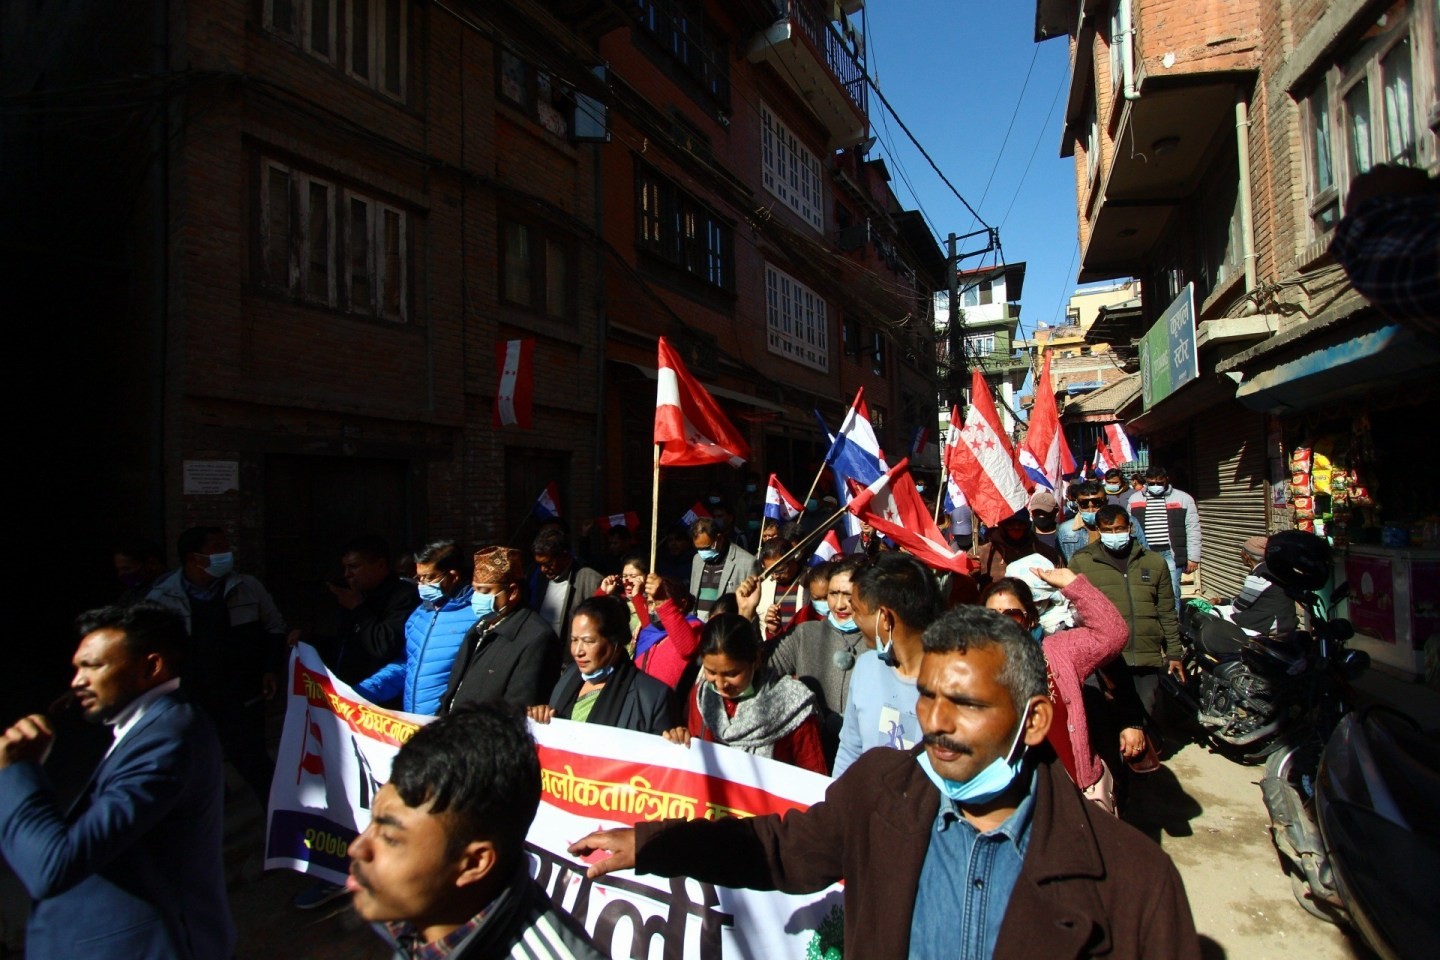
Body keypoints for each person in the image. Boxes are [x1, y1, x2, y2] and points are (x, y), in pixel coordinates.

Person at [567, 606, 1200, 959]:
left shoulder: (1136, 882)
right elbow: (783, 850)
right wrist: (651, 845)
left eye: (967, 705)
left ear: (1033, 720)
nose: (937, 724)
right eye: (925, 698)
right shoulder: (880, 791)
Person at [0, 602, 235, 958]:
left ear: (151, 666)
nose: (77, 681)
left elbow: (53, 865)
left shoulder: (168, 740)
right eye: (77, 667)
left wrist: (17, 771)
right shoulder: (151, 727)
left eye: (92, 666)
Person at [346, 703, 602, 959]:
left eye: (390, 838)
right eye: (373, 820)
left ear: (474, 863)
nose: (357, 848)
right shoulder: (404, 920)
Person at [147, 525, 289, 806]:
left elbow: (275, 627)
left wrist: (270, 668)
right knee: (196, 758)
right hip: (190, 694)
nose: (227, 554)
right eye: (218, 548)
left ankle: (279, 816)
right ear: (194, 558)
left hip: (241, 691)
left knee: (252, 759)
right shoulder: (163, 598)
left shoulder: (247, 587)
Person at [983, 569, 1129, 814]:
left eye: (1012, 615)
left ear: (1029, 619)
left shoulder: (1058, 651)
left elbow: (1113, 635)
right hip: (1011, 803)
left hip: (1073, 795)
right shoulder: (969, 667)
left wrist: (1073, 585)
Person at [1069, 506, 1181, 760]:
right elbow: (1074, 612)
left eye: (1119, 529)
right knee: (1107, 722)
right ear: (1098, 531)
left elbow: (1166, 610)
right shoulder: (1082, 561)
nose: (1114, 534)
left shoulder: (1154, 562)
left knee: (1142, 719)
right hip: (1105, 659)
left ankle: (1141, 769)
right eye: (1108, 530)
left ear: (1130, 528)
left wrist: (1174, 651)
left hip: (1145, 655)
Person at [663, 614, 826, 774]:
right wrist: (680, 739)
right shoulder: (702, 697)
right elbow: (694, 755)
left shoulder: (793, 705)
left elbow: (812, 778)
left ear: (755, 661)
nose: (720, 685)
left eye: (731, 674)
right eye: (711, 672)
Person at [834, 552, 944, 776]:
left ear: (885, 617)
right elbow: (849, 751)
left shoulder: (955, 682)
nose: (852, 618)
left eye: (857, 610)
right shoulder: (865, 667)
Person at [356, 541, 477, 716]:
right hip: (414, 723)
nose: (422, 584)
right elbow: (407, 664)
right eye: (419, 578)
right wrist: (365, 691)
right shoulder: (419, 615)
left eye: (429, 578)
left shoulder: (477, 616)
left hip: (453, 727)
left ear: (453, 576)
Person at [768, 556, 868, 763]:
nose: (839, 605)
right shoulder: (805, 633)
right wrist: (745, 611)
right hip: (810, 758)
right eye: (833, 594)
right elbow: (759, 669)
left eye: (847, 595)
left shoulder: (880, 641)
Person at [529, 596, 673, 735]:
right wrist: (542, 716)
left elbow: (662, 753)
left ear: (615, 643)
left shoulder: (652, 697)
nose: (578, 651)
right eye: (574, 640)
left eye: (588, 641)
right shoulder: (569, 675)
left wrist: (676, 739)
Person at [442, 546, 560, 714]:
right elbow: (453, 691)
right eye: (475, 589)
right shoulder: (478, 629)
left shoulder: (536, 637)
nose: (477, 598)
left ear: (512, 592)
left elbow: (520, 707)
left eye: (485, 591)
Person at [327, 534, 420, 688]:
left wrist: (358, 607)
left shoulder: (405, 596)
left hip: (381, 693)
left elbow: (384, 647)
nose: (347, 574)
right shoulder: (355, 593)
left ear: (380, 565)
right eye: (345, 567)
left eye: (354, 567)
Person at [1127, 465, 1201, 612]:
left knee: (1172, 592)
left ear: (1166, 480)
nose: (1156, 486)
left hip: (1170, 554)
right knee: (1146, 592)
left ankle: (1174, 627)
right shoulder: (1134, 499)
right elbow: (1130, 528)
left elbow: (1193, 529)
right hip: (1145, 553)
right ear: (1146, 481)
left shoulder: (1184, 499)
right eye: (1152, 483)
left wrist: (1193, 557)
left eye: (1159, 483)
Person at [1203, 534, 1299, 639]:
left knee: (1213, 612)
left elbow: (1238, 608)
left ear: (1247, 556)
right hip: (1285, 620)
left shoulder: (1259, 575)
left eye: (1242, 551)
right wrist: (1223, 601)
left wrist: (1224, 603)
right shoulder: (1277, 569)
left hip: (1271, 623)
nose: (1241, 554)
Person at [527, 529, 604, 646]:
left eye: (548, 564)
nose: (543, 569)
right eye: (540, 564)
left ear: (564, 555)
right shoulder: (539, 578)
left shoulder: (589, 579)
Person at [632, 574, 702, 690]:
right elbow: (648, 619)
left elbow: (687, 649)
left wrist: (662, 600)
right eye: (650, 603)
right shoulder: (652, 629)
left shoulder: (693, 627)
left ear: (682, 604)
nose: (655, 608)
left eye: (660, 602)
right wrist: (636, 595)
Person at [687, 516, 760, 622]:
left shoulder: (747, 562)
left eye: (707, 548)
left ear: (719, 539)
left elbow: (752, 606)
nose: (702, 553)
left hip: (725, 629)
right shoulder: (697, 559)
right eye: (698, 549)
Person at [971, 510, 1065, 587]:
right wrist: (971, 573)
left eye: (1021, 524)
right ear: (1002, 525)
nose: (1016, 528)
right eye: (1011, 524)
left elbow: (1062, 583)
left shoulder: (1046, 552)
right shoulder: (982, 553)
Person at [113, 539, 167, 605]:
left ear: (152, 563)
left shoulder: (173, 590)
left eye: (126, 568)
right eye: (119, 569)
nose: (120, 574)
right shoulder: (131, 594)